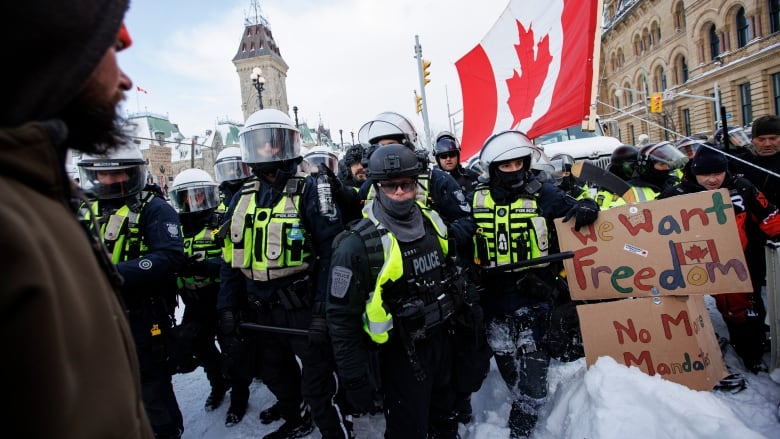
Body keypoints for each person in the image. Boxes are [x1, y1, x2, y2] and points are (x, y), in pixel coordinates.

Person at [0, 3, 154, 437]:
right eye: (112, 45)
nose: (125, 79)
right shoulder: (15, 221)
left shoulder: (41, 199)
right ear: (56, 58)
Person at [217, 108, 350, 439]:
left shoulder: (311, 189)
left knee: (319, 383)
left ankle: (335, 431)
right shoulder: (242, 197)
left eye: (274, 143)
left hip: (302, 308)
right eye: (260, 145)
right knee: (276, 374)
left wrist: (322, 310)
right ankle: (296, 416)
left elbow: (332, 251)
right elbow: (231, 257)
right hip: (259, 309)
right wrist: (228, 306)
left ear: (288, 145)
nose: (267, 151)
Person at [327, 144, 476, 438]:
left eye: (406, 185)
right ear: (377, 187)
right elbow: (341, 318)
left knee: (446, 420)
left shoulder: (434, 223)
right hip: (399, 356)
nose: (399, 192)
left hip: (442, 343)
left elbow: (454, 272)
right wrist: (355, 379)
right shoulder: (357, 244)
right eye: (391, 186)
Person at [469, 130, 599, 438]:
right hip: (493, 297)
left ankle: (521, 427)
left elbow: (574, 206)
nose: (514, 171)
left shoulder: (544, 194)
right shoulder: (473, 199)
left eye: (519, 164)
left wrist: (587, 208)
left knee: (534, 376)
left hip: (534, 295)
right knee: (505, 359)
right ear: (492, 169)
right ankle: (516, 395)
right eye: (506, 166)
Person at [78, 142, 185, 439]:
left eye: (118, 174)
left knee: (153, 393)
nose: (109, 181)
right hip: (93, 317)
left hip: (141, 315)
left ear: (132, 173)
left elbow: (170, 256)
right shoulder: (84, 208)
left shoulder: (154, 209)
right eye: (103, 175)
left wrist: (113, 274)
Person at [659, 145, 780, 373]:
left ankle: (750, 353)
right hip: (690, 264)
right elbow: (646, 224)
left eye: (718, 173)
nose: (712, 179)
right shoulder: (678, 194)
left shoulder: (742, 188)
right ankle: (691, 358)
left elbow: (770, 217)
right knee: (681, 310)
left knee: (741, 311)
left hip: (734, 264)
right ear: (694, 172)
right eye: (705, 174)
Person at [168, 169, 229, 411]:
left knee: (232, 346)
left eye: (199, 196)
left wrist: (208, 267)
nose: (193, 202)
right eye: (187, 197)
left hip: (220, 296)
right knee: (200, 347)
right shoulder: (174, 228)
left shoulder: (220, 220)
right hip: (193, 300)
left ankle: (239, 392)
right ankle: (218, 384)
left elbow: (233, 258)